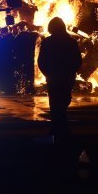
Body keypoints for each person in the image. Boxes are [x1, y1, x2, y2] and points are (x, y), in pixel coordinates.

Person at [37, 17, 82, 145]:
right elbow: (77, 60)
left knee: (55, 103)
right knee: (63, 102)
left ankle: (58, 130)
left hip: (53, 78)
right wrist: (72, 72)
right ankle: (62, 131)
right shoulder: (71, 42)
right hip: (66, 77)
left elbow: (42, 61)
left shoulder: (47, 42)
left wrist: (48, 74)